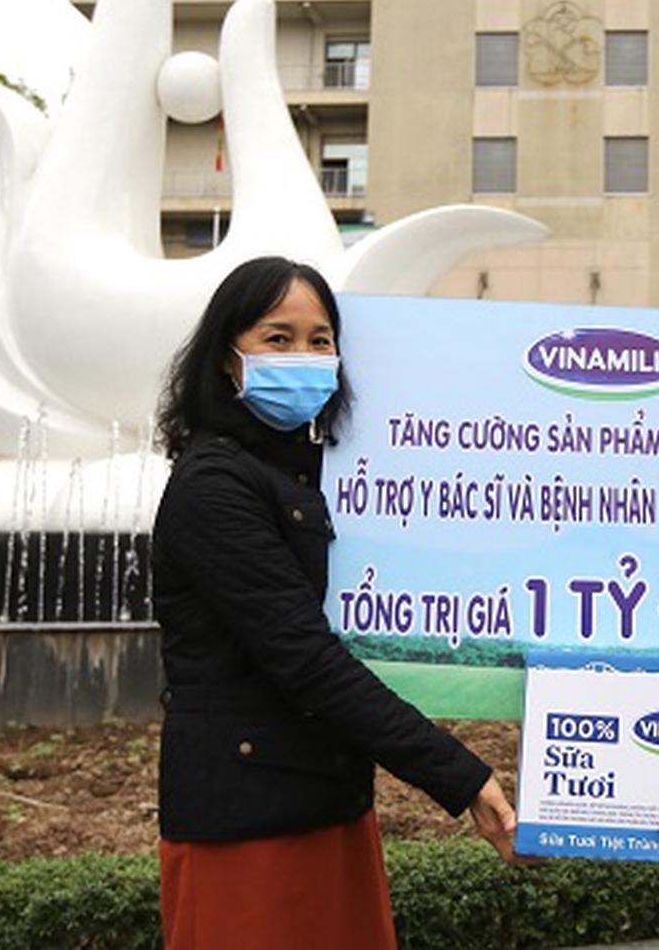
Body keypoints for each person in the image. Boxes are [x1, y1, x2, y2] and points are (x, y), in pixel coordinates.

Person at [152, 256, 516, 950]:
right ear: (227, 358)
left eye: (320, 340)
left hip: (328, 802)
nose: (304, 356)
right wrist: (461, 777)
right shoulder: (213, 485)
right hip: (247, 826)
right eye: (278, 338)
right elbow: (306, 659)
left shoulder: (306, 476)